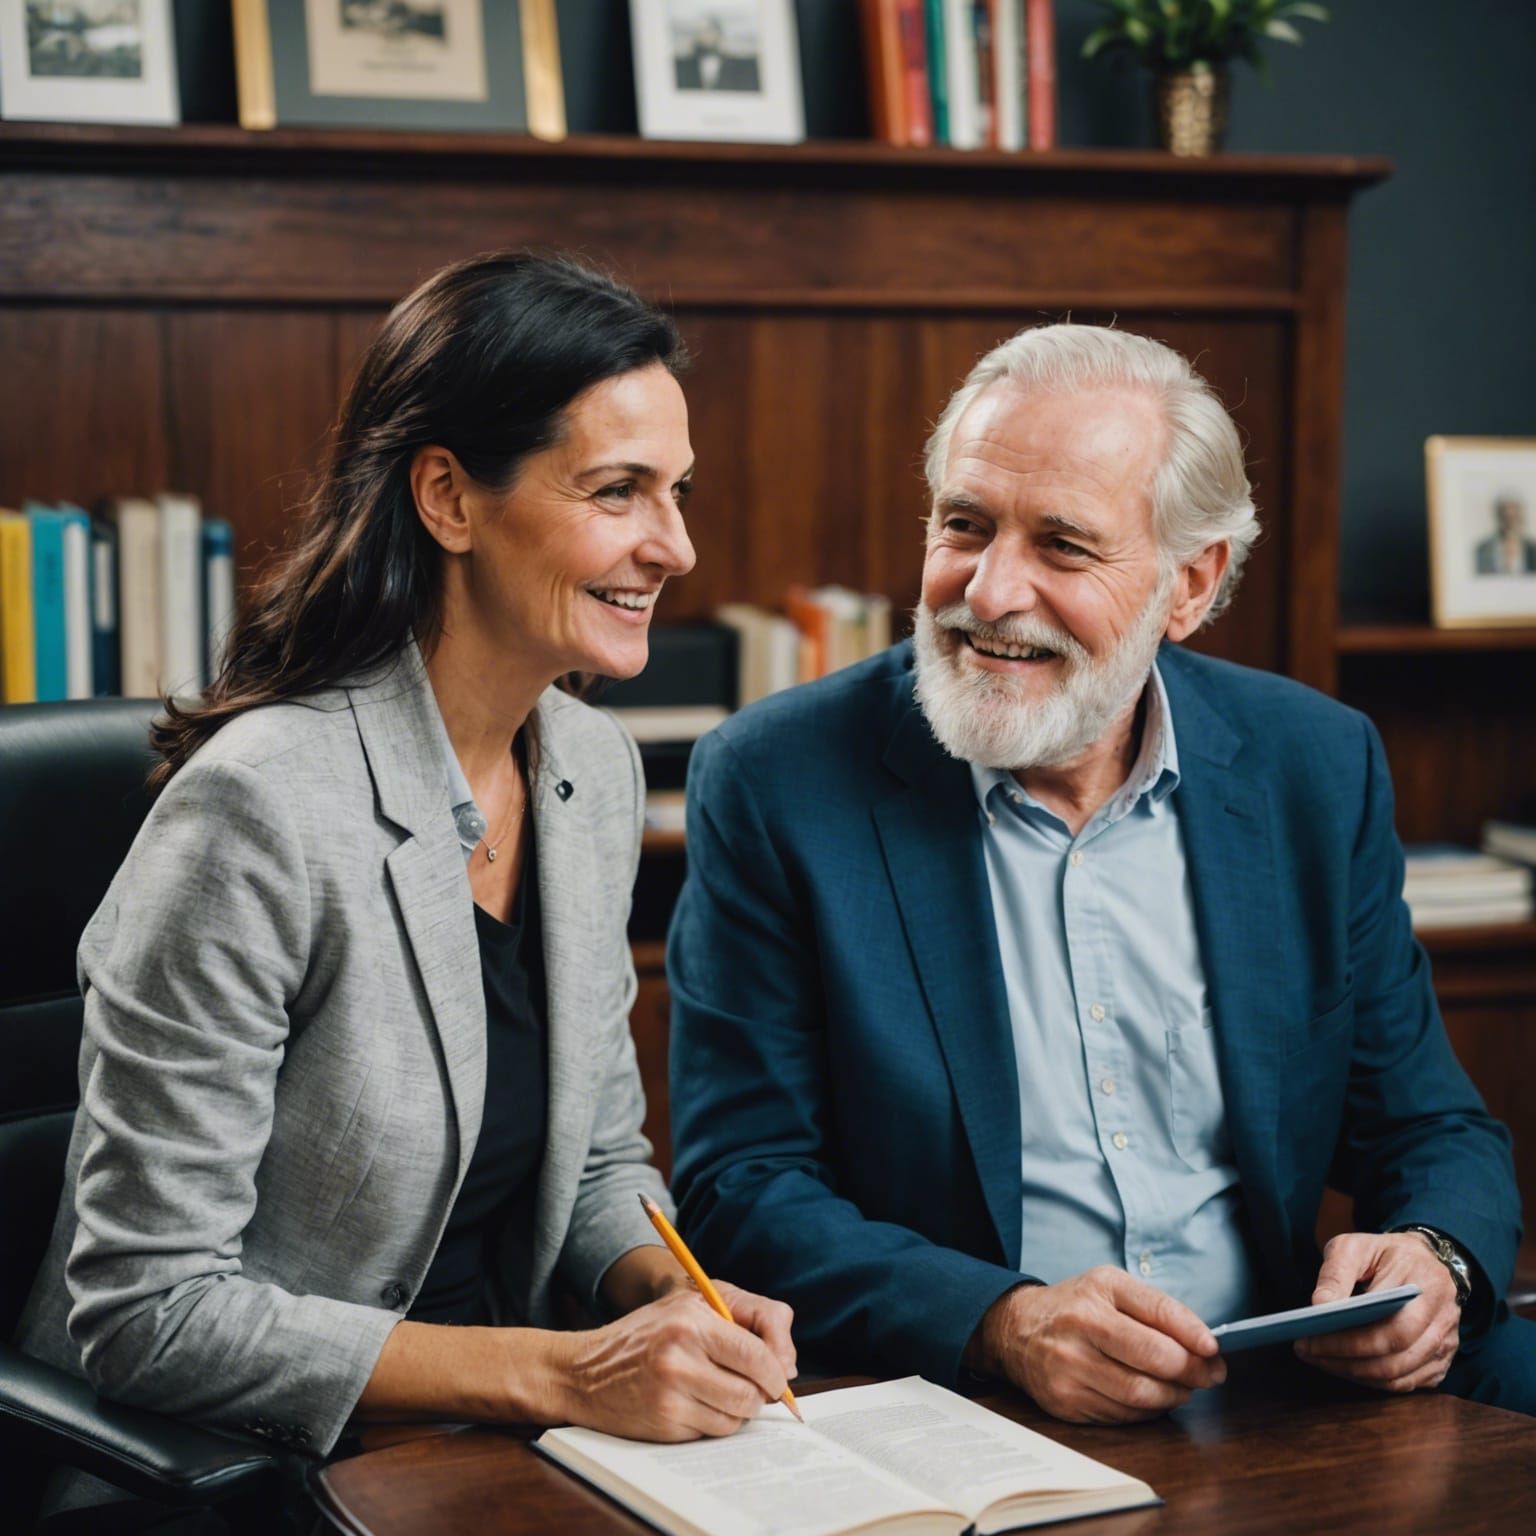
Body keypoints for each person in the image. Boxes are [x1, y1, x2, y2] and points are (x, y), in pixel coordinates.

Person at [668, 323, 1533, 1425]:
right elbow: (742, 1188)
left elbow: (1432, 1128)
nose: (988, 591)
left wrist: (1434, 1261)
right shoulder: (777, 781)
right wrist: (1003, 1321)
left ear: (1190, 584)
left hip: (1289, 1377)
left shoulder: (1312, 766)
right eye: (964, 525)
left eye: (1063, 546)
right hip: (978, 1400)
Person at [17, 253, 796, 1473]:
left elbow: (596, 1163)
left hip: (508, 1449)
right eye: (617, 492)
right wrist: (565, 1371)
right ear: (447, 497)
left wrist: (669, 1293)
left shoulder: (587, 770)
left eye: (679, 492)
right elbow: (147, 1309)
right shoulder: (260, 807)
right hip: (248, 1473)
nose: (677, 547)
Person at [1473, 493, 1536, 575]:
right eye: (1506, 517)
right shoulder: (1482, 550)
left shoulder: (1532, 549)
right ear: (1498, 517)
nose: (1510, 524)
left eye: (1514, 517)